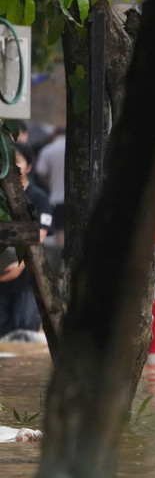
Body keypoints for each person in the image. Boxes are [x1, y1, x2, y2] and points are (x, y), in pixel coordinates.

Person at [0, 145, 53, 339]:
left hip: (27, 279)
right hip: (2, 274)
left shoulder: (39, 198)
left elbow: (40, 235)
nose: (13, 167)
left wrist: (20, 266)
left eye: (18, 162)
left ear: (29, 166)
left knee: (24, 331)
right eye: (8, 162)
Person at [33, 126, 66, 243]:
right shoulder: (76, 149)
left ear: (53, 136)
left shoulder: (48, 150)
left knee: (60, 231)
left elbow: (40, 173)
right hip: (73, 198)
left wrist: (51, 184)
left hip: (56, 198)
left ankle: (62, 259)